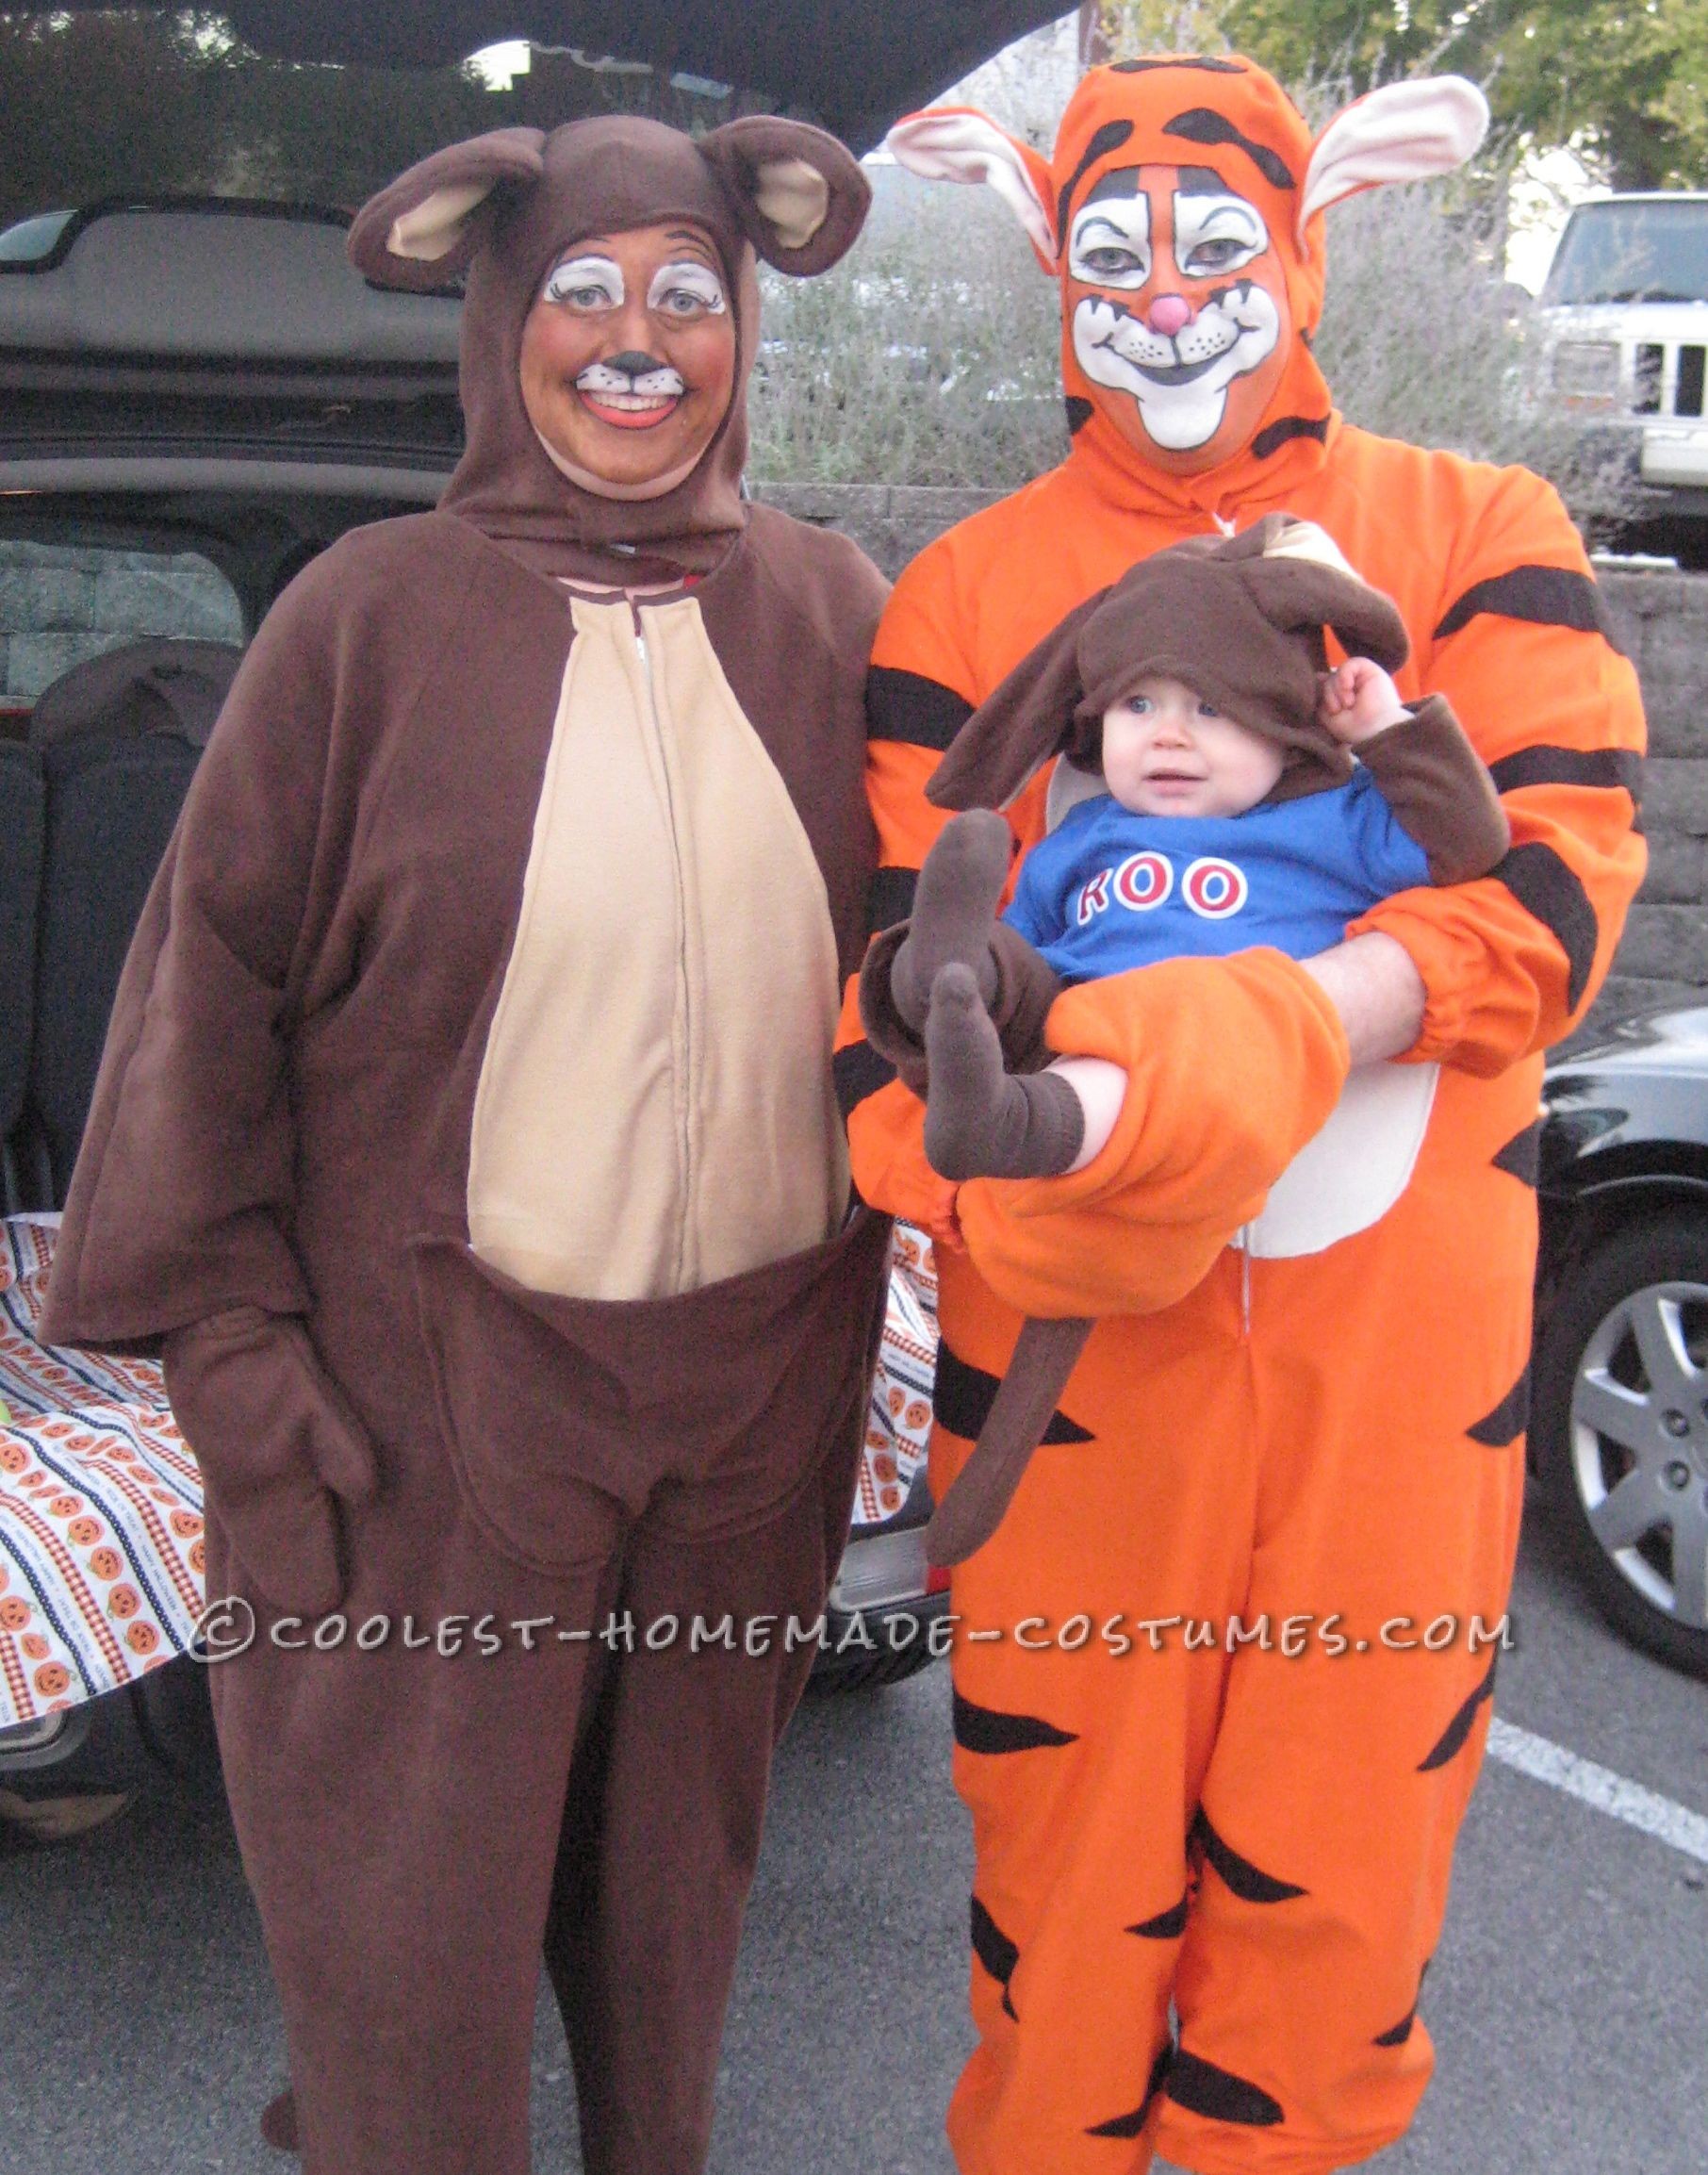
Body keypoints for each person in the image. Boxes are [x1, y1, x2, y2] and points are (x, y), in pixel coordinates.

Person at [39, 114, 893, 2175]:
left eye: (686, 294)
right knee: (411, 1883)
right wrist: (232, 1346)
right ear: (500, 308)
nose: (635, 340)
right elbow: (199, 999)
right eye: (585, 290)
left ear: (745, 319)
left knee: (679, 1869)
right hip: (442, 1371)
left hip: (763, 1369)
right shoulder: (369, 613)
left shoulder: (833, 598)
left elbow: (940, 913)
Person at [835, 56, 1646, 2175]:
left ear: (1305, 238)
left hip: (1400, 1374)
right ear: (1048, 259)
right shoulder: (966, 598)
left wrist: (1293, 1021)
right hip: (1079, 1368)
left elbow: (1550, 897)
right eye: (1117, 248)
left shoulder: (1481, 534)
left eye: (1217, 241)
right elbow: (885, 999)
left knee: (1336, 1894)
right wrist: (1001, 1164)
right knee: (1064, 1892)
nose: (1174, 293)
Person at [883, 518, 1509, 1186]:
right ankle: (936, 980)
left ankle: (1006, 1122)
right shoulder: (1085, 834)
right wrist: (994, 974)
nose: (1169, 737)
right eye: (1139, 705)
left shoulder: (1334, 819)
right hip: (1075, 1017)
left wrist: (1386, 729)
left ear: (1284, 725)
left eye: (1211, 709)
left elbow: (1467, 842)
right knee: (1008, 980)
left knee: (1125, 1064)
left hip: (1210, 1058)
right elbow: (1033, 937)